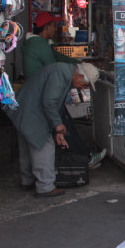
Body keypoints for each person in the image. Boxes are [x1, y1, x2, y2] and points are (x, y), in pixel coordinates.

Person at [22, 12, 106, 169]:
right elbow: (54, 69)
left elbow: (58, 57)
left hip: (34, 95)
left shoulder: (40, 44)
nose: (55, 29)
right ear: (46, 28)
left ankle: (79, 157)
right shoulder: (40, 46)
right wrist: (58, 125)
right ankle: (83, 159)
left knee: (62, 125)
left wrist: (79, 62)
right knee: (61, 126)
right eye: (53, 25)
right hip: (41, 96)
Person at [5, 62, 99, 197]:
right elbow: (49, 101)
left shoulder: (63, 71)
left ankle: (28, 180)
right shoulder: (61, 73)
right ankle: (45, 186)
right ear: (79, 76)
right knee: (44, 145)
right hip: (31, 111)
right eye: (85, 84)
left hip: (24, 108)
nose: (83, 88)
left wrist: (56, 127)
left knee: (27, 145)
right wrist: (58, 125)